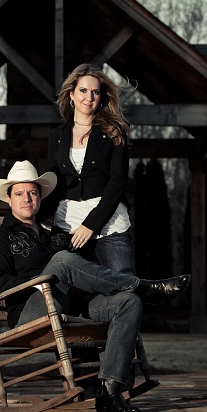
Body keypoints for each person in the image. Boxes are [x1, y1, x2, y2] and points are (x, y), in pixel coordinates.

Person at [0, 160, 190, 412]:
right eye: (20, 193)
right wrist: (41, 281)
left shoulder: (54, 235)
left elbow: (83, 268)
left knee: (128, 303)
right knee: (62, 260)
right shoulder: (0, 238)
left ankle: (109, 391)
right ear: (9, 198)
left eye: (33, 192)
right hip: (30, 315)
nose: (27, 198)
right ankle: (142, 286)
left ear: (39, 197)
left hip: (69, 306)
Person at [42, 63, 135, 274]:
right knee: (62, 291)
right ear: (72, 95)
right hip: (68, 224)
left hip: (109, 222)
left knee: (125, 290)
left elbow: (117, 181)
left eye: (95, 92)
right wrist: (31, 216)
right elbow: (53, 180)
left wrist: (91, 224)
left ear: (101, 97)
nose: (89, 97)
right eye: (83, 90)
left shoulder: (114, 131)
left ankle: (143, 288)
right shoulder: (57, 135)